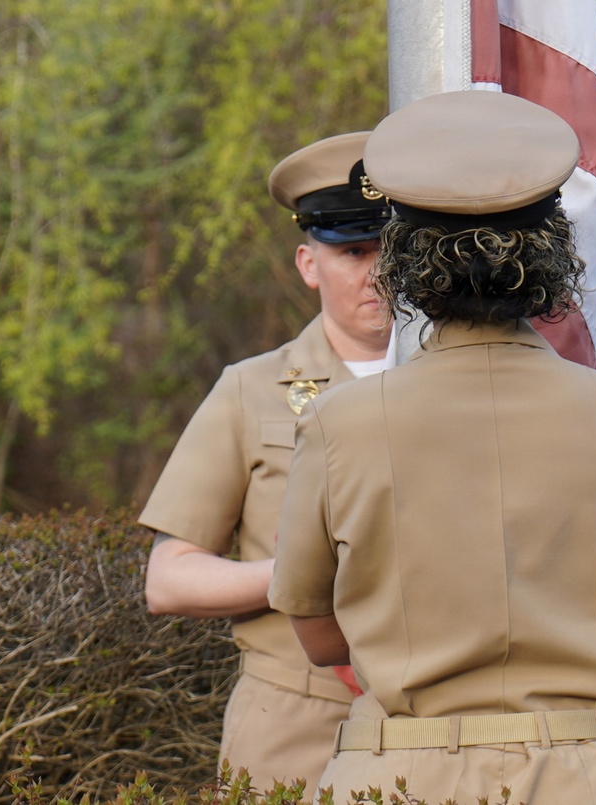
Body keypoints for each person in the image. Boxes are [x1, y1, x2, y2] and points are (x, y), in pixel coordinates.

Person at [268, 90, 596, 804]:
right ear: (552, 255)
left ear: (404, 263)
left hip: (402, 778)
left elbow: (318, 635)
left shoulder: (340, 423)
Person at [138, 131, 394, 794]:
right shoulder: (251, 391)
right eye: (354, 251)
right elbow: (169, 579)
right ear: (309, 263)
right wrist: (291, 573)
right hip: (293, 725)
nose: (376, 271)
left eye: (392, 248)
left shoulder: (456, 390)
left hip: (430, 725)